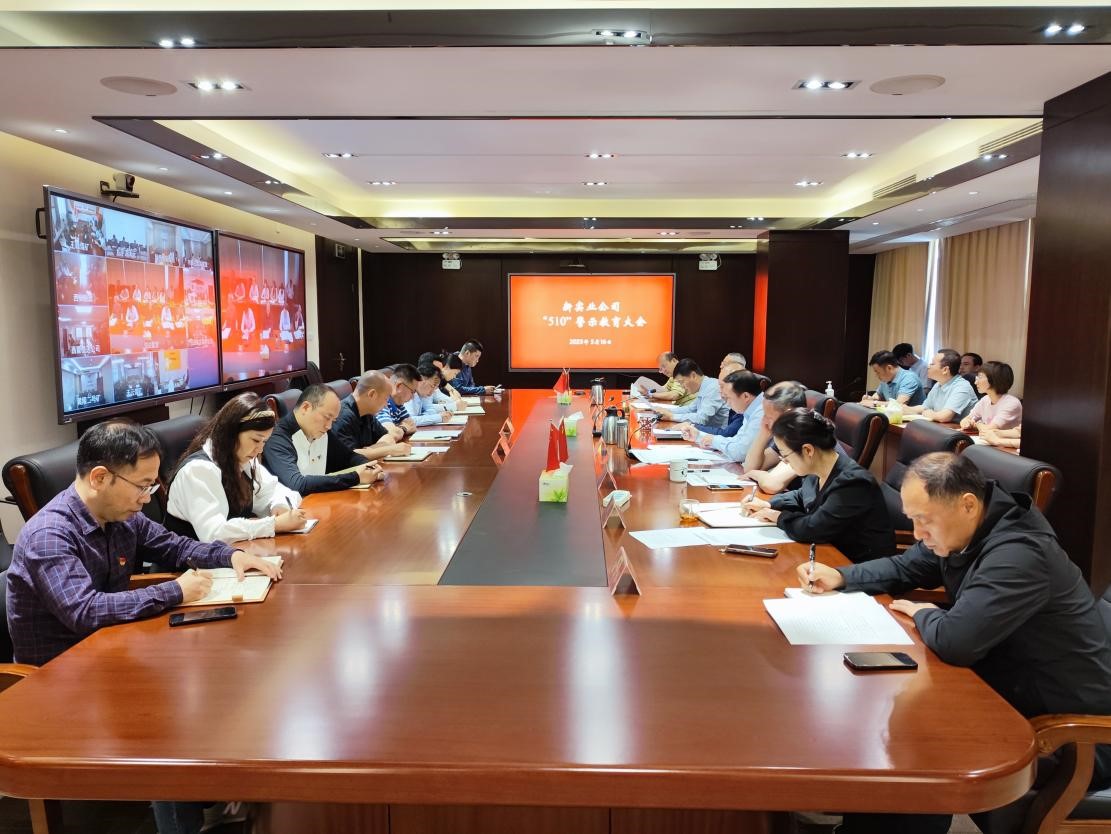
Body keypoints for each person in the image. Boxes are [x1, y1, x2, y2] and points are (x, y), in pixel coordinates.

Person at [800, 452, 1111, 834]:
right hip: (1004, 695)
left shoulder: (1019, 554)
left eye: (924, 520)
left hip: (1071, 738)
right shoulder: (970, 529)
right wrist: (843, 577)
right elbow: (907, 566)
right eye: (913, 520)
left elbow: (955, 641)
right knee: (884, 715)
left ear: (967, 504)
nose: (917, 533)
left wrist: (925, 613)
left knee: (922, 744)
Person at [5, 421, 282, 834]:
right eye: (142, 486)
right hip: (59, 681)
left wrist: (231, 557)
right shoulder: (50, 535)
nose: (146, 498)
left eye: (151, 485)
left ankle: (217, 796)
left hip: (110, 650)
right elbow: (84, 611)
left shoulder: (120, 515)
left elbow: (175, 545)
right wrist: (174, 591)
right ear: (100, 477)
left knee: (226, 670)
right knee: (169, 714)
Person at [742, 408, 892, 562]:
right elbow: (801, 495)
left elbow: (813, 528)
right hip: (827, 553)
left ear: (808, 450)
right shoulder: (817, 469)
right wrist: (769, 504)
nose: (785, 461)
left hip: (855, 565)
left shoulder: (853, 483)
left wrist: (778, 516)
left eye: (785, 455)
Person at [166, 393, 309, 543]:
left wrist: (279, 505)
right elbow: (214, 534)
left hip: (234, 553)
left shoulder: (244, 460)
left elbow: (278, 491)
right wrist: (273, 524)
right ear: (231, 433)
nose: (260, 450)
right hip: (190, 557)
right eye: (256, 440)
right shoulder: (198, 470)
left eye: (264, 442)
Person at [263, 384, 384, 494]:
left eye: (333, 420)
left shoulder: (321, 431)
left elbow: (349, 457)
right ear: (305, 407)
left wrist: (370, 467)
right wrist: (356, 477)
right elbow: (298, 484)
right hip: (292, 508)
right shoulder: (276, 438)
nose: (329, 426)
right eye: (327, 417)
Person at [681, 370, 767, 461]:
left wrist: (714, 441)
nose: (727, 403)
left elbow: (741, 453)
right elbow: (737, 441)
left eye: (728, 398)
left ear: (745, 396)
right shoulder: (751, 408)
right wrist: (699, 436)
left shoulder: (762, 411)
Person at [742, 380, 808, 494]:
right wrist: (763, 433)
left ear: (788, 414)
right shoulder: (786, 434)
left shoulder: (803, 436)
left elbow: (772, 484)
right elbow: (750, 467)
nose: (764, 421)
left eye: (769, 416)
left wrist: (754, 474)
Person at [331, 371, 412, 462]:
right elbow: (350, 457)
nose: (386, 405)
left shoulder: (367, 412)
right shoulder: (341, 416)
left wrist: (369, 451)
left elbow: (388, 437)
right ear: (372, 394)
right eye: (386, 399)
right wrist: (389, 450)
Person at [903, 348, 978, 423]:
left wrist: (928, 413)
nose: (928, 366)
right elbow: (925, 407)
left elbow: (944, 417)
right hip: (942, 427)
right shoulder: (938, 384)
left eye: (932, 364)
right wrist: (905, 409)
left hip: (959, 429)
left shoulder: (962, 387)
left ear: (945, 370)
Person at [653, 359, 729, 428]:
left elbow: (701, 419)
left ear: (693, 375)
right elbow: (690, 409)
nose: (682, 386)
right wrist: (666, 410)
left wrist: (672, 416)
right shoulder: (704, 386)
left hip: (715, 434)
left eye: (682, 382)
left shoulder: (712, 388)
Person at [683, 361, 745, 436]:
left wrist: (692, 426)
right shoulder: (735, 406)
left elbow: (727, 434)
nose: (720, 391)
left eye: (722, 386)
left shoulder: (745, 409)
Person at [960, 360, 1022, 431]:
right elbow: (966, 419)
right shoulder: (986, 399)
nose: (975, 382)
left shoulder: (1011, 403)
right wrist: (967, 423)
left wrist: (977, 424)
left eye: (980, 377)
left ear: (994, 379)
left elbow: (990, 429)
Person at [376, 363, 421, 435]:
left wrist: (398, 429)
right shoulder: (381, 401)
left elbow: (412, 426)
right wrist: (404, 428)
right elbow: (390, 433)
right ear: (399, 386)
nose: (413, 397)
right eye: (412, 392)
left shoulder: (398, 404)